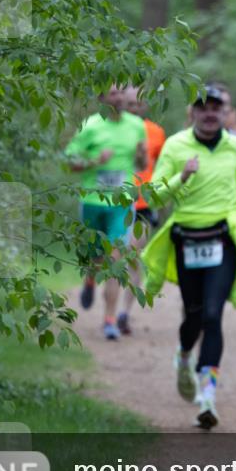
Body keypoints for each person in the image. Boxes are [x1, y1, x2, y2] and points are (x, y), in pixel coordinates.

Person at [141, 84, 236, 429]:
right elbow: (154, 197)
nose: (209, 113)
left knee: (213, 315)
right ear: (192, 113)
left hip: (224, 237)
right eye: (202, 107)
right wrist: (181, 177)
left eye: (216, 107)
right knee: (194, 314)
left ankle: (207, 396)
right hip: (187, 238)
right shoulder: (176, 145)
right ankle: (184, 356)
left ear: (225, 112)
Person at [64, 85, 147, 340]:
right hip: (92, 201)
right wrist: (95, 161)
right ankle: (90, 278)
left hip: (122, 202)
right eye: (113, 93)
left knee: (115, 258)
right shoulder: (90, 126)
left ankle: (109, 319)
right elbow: (70, 162)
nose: (119, 97)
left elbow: (142, 165)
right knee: (95, 255)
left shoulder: (136, 125)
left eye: (122, 92)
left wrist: (142, 157)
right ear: (101, 98)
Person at [117, 86, 167, 336]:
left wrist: (162, 195)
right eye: (130, 104)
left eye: (138, 104)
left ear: (145, 106)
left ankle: (123, 312)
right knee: (113, 255)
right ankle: (102, 295)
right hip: (114, 201)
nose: (134, 109)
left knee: (134, 256)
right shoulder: (111, 129)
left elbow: (164, 166)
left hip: (143, 204)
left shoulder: (156, 132)